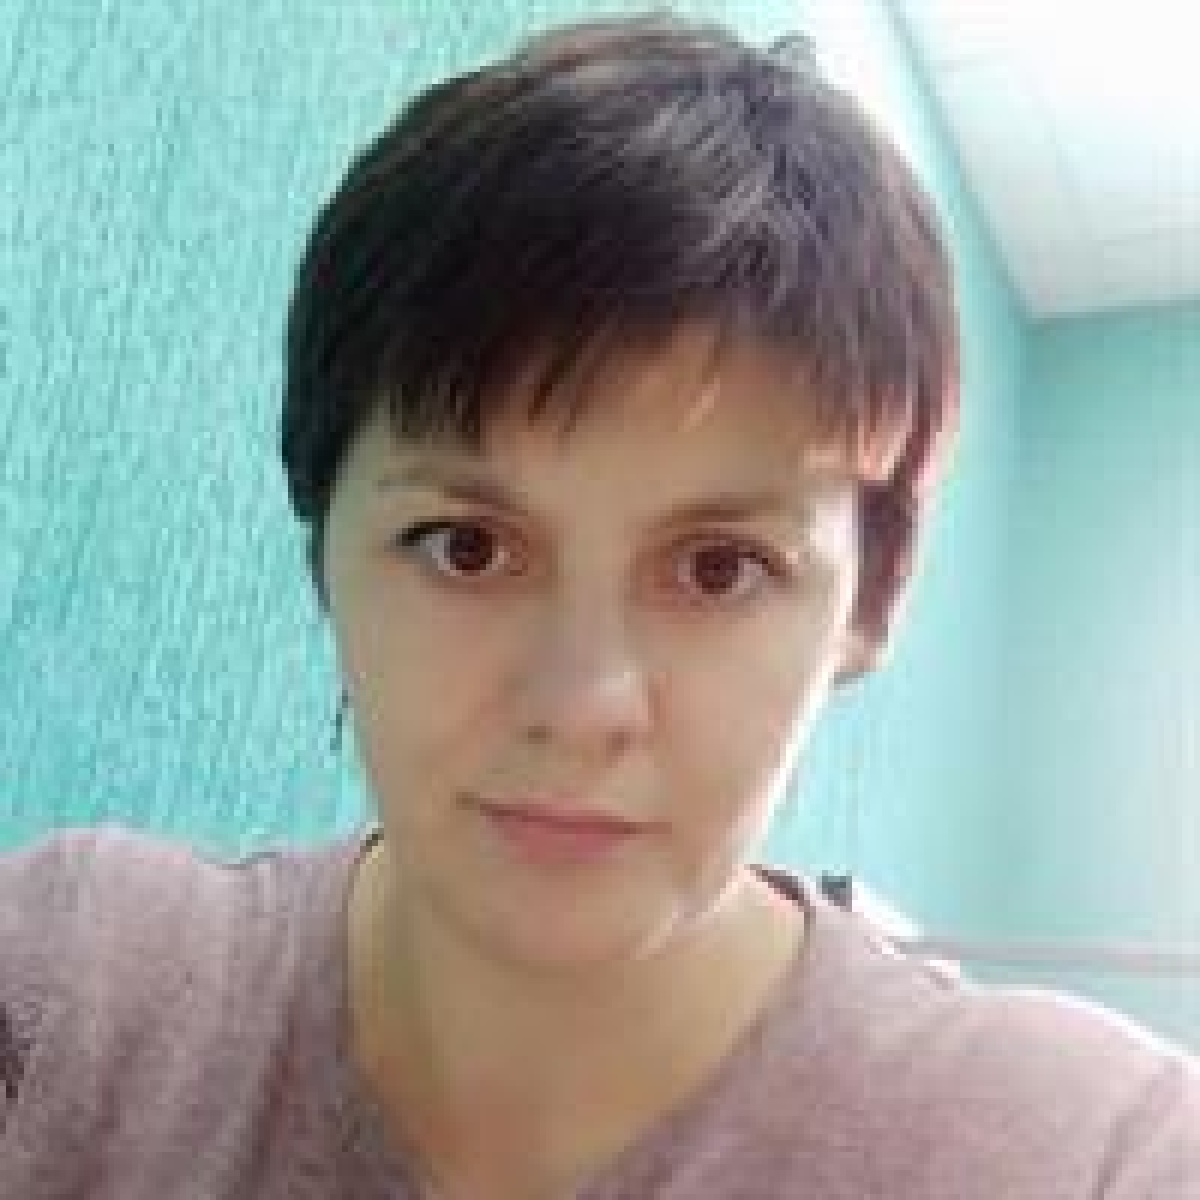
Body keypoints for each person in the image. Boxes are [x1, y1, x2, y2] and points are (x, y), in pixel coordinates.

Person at [2, 12, 1197, 1199]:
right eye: (467, 547)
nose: (581, 707)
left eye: (719, 569)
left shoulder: (1094, 1154)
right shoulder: (70, 996)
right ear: (326, 548)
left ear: (870, 601)